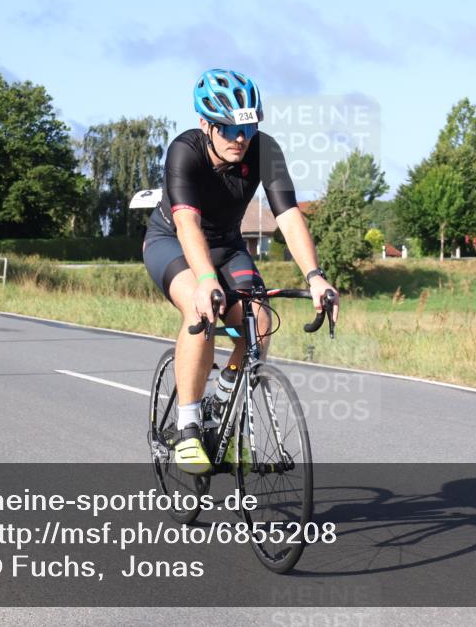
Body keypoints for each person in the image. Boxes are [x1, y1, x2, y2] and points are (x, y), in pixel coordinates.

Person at [143, 69, 339, 474]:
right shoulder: (185, 151)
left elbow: (288, 216)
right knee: (201, 312)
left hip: (229, 246)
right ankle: (188, 426)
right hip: (173, 242)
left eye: (247, 128)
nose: (240, 138)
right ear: (205, 125)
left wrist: (315, 276)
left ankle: (226, 389)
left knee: (261, 321)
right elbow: (187, 224)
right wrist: (205, 281)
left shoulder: (264, 151)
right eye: (229, 128)